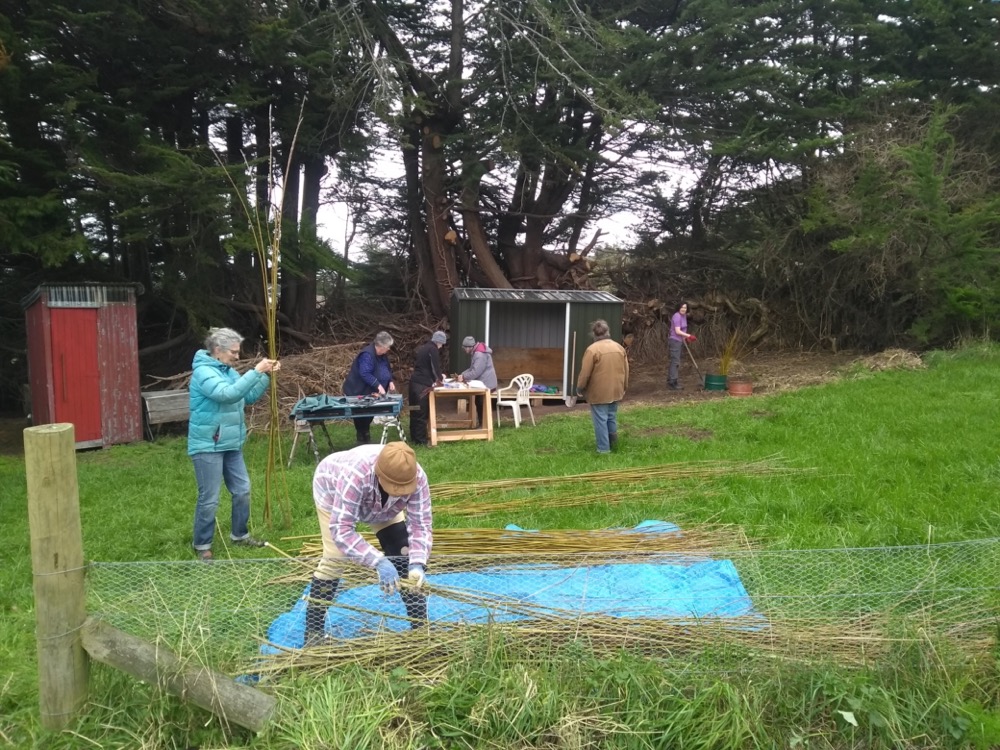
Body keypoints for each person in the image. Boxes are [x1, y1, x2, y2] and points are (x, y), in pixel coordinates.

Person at [304, 441, 432, 645]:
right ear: (379, 474)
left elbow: (421, 524)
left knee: (401, 551)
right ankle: (313, 632)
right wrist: (378, 561)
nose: (399, 491)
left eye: (403, 489)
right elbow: (342, 529)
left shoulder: (416, 478)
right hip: (332, 491)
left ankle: (420, 629)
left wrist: (417, 564)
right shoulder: (356, 476)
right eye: (394, 487)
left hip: (384, 508)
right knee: (336, 557)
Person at [188, 327, 280, 561]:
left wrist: (265, 375)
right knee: (209, 498)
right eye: (234, 352)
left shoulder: (226, 370)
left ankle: (239, 535)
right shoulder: (203, 372)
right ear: (217, 350)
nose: (237, 357)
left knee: (242, 490)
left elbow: (245, 396)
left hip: (230, 443)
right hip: (207, 444)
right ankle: (202, 544)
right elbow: (227, 394)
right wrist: (255, 370)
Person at [576, 319, 629, 454]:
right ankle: (614, 444)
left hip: (599, 392)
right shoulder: (619, 347)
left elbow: (585, 373)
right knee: (611, 416)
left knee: (601, 419)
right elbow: (626, 369)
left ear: (593, 334)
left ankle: (603, 449)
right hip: (616, 389)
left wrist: (580, 387)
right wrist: (624, 386)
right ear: (608, 332)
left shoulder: (592, 350)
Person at [343, 331, 397, 444]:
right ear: (381, 346)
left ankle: (366, 437)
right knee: (360, 415)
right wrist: (378, 385)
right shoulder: (367, 355)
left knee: (369, 414)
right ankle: (361, 439)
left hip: (370, 391)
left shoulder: (383, 355)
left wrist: (390, 381)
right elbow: (365, 373)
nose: (388, 349)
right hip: (357, 389)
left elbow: (386, 369)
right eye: (387, 347)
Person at [409, 331, 447, 446]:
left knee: (414, 410)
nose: (442, 346)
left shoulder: (424, 348)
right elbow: (435, 368)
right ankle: (421, 441)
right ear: (439, 342)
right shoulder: (433, 350)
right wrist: (441, 378)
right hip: (422, 386)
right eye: (442, 343)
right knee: (421, 412)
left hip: (413, 384)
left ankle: (414, 437)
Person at [455, 335, 498, 427]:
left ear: (469, 347)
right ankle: (482, 423)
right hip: (483, 382)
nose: (464, 350)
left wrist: (463, 377)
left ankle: (483, 425)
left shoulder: (479, 354)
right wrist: (462, 375)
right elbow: (472, 368)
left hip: (487, 384)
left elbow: (475, 372)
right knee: (477, 401)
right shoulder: (476, 352)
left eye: (464, 348)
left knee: (480, 402)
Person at [668, 301, 696, 391]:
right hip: (675, 341)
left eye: (685, 307)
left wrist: (685, 338)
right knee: (675, 361)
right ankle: (673, 382)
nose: (684, 309)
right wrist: (689, 336)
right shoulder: (677, 316)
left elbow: (682, 330)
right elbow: (677, 331)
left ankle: (670, 379)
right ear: (678, 308)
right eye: (682, 307)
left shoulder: (683, 316)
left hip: (680, 340)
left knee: (676, 361)